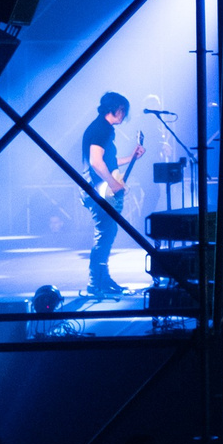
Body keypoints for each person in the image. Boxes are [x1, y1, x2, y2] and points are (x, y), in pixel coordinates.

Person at [80, 90, 133, 297]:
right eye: (123, 110)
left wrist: (131, 157)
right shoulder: (102, 129)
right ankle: (95, 283)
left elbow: (107, 160)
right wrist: (113, 183)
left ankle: (102, 279)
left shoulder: (101, 128)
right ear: (117, 109)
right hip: (98, 189)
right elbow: (95, 161)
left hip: (99, 188)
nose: (124, 115)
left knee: (107, 234)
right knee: (104, 235)